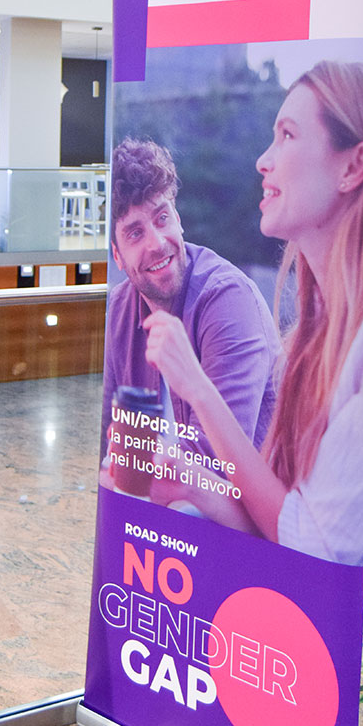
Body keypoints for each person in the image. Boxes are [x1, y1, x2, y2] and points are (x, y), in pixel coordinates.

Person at [146, 60, 363, 565]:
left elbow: (309, 551)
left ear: (353, 167)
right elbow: (280, 522)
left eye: (288, 135)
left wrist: (196, 386)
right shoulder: (312, 337)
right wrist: (192, 483)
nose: (262, 160)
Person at [100, 138, 279, 483]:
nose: (156, 242)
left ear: (178, 219)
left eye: (162, 218)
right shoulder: (120, 309)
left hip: (241, 510)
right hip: (163, 501)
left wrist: (126, 465)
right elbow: (104, 437)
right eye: (135, 233)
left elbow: (216, 465)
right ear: (117, 256)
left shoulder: (229, 300)